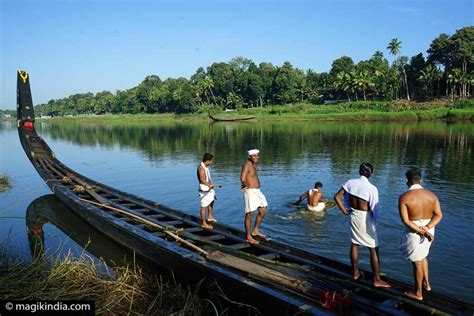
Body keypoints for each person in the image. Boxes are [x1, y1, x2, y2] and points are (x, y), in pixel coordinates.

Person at [334, 163, 391, 288]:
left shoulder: (350, 182)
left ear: (359, 171)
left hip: (354, 214)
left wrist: (345, 211)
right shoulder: (372, 188)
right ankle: (376, 279)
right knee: (374, 248)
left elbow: (337, 197)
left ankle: (355, 273)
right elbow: (374, 208)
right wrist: (374, 223)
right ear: (370, 173)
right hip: (365, 218)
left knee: (355, 244)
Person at [399, 167, 443, 301]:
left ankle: (418, 293)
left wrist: (420, 230)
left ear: (407, 181)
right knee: (423, 257)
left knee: (417, 262)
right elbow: (439, 215)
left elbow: (405, 221)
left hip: (414, 231)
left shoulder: (404, 197)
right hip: (429, 229)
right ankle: (426, 284)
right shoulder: (432, 195)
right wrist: (427, 229)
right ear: (421, 180)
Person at [240, 149, 267, 245]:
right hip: (250, 192)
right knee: (249, 214)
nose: (257, 157)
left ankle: (255, 230)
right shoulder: (247, 164)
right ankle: (248, 236)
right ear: (249, 156)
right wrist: (246, 185)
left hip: (257, 191)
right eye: (254, 156)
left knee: (262, 211)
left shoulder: (254, 164)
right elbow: (242, 178)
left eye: (257, 155)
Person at [197, 153, 217, 229]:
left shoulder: (205, 167)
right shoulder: (201, 168)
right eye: (211, 161)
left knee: (212, 200)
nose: (211, 162)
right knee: (203, 206)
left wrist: (211, 185)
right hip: (204, 189)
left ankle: (209, 216)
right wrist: (209, 185)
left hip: (209, 189)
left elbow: (207, 178)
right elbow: (202, 179)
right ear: (207, 161)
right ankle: (203, 223)